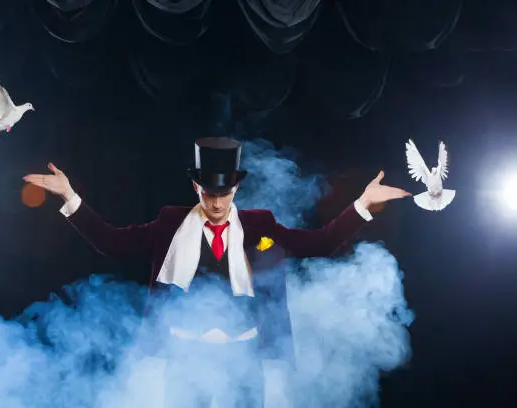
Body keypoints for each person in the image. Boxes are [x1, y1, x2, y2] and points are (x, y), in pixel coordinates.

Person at [24, 137, 410, 408]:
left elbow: (320, 244)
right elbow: (110, 242)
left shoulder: (260, 225)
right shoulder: (170, 222)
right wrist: (70, 197)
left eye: (223, 195)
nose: (216, 203)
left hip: (244, 358)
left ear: (236, 191)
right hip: (183, 356)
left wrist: (363, 204)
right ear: (196, 187)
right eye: (209, 194)